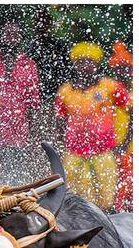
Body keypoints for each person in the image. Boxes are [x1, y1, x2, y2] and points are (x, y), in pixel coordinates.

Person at [56, 42, 130, 210]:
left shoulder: (110, 86)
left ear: (97, 64)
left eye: (89, 61)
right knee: (74, 195)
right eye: (80, 61)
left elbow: (130, 111)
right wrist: (61, 145)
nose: (85, 66)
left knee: (106, 197)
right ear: (74, 64)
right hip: (74, 151)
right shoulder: (65, 91)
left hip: (103, 151)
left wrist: (125, 142)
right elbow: (59, 121)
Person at [0, 19, 40, 184]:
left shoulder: (29, 65)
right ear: (0, 36)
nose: (11, 38)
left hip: (19, 134)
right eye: (7, 34)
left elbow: (32, 105)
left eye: (15, 35)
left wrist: (33, 139)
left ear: (21, 38)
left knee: (16, 180)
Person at [108, 42, 133, 212]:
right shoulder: (109, 88)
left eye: (125, 67)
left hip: (128, 145)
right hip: (111, 144)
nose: (121, 71)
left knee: (128, 179)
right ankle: (116, 212)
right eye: (118, 68)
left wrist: (125, 142)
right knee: (113, 180)